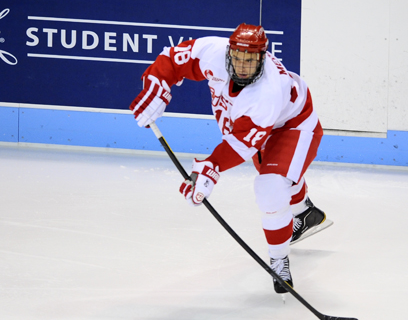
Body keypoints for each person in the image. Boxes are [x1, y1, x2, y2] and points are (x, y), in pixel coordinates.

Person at [130, 23, 331, 294]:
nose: (242, 66)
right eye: (237, 57)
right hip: (259, 125)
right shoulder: (213, 51)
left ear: (261, 58)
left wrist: (210, 168)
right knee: (280, 175)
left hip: (294, 125)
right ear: (229, 52)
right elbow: (171, 58)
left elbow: (240, 145)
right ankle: (305, 212)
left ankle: (279, 260)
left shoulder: (265, 95)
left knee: (270, 187)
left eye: (250, 60)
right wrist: (156, 85)